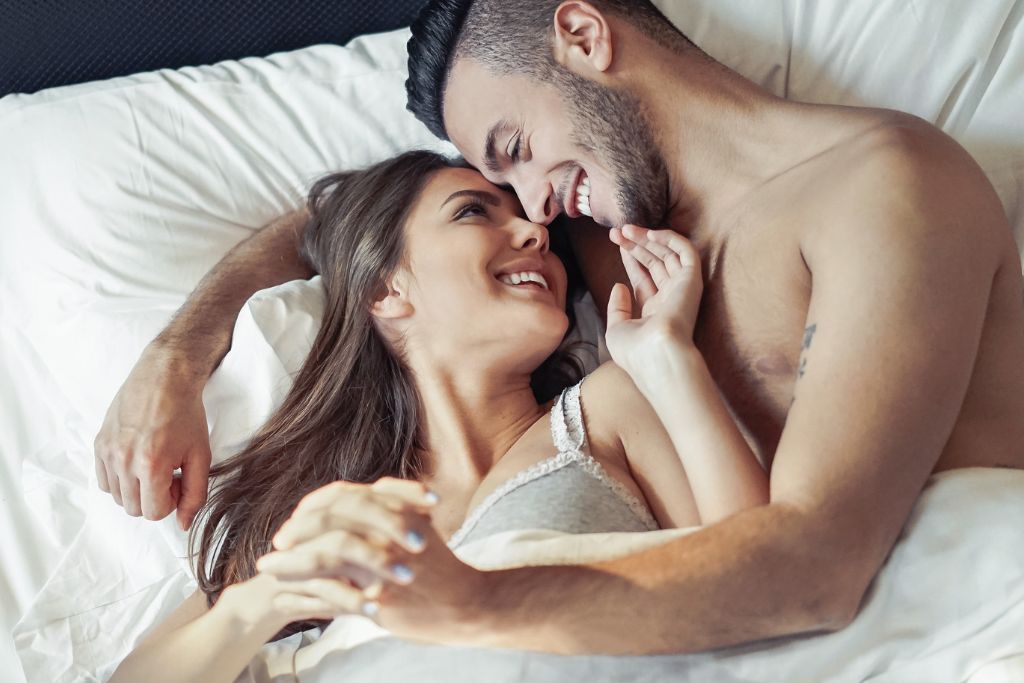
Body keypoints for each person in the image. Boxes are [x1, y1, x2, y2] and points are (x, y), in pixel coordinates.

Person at [96, 0, 1024, 656]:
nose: (531, 206)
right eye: (496, 192)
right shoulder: (609, 237)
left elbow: (817, 564)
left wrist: (474, 605)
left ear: (581, 34)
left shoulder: (882, 183)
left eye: (512, 150)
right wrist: (179, 353)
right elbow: (331, 229)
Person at [111, 151, 766, 682]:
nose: (536, 233)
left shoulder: (606, 408)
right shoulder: (328, 515)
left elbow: (767, 578)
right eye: (473, 212)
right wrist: (269, 598)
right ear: (384, 288)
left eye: (533, 226)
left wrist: (667, 357)